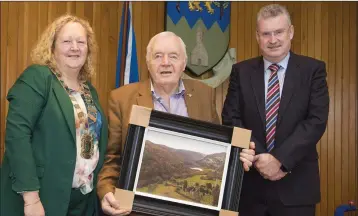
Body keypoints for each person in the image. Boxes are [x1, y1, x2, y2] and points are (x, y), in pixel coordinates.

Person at [96, 31, 256, 216]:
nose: (165, 62)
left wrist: (239, 154)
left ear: (184, 63)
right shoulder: (122, 98)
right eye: (158, 56)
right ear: (148, 63)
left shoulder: (205, 95)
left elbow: (219, 147)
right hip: (137, 211)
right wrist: (106, 191)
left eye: (173, 56)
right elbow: (112, 159)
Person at [222, 4, 329, 216]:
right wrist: (261, 157)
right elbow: (231, 118)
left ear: (291, 32)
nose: (273, 40)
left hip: (296, 189)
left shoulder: (312, 70)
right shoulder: (240, 72)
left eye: (279, 32)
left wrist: (280, 160)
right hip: (250, 188)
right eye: (266, 34)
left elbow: (316, 120)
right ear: (257, 37)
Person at [0, 14, 108, 216]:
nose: (74, 47)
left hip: (83, 199)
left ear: (88, 49)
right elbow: (17, 136)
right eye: (66, 41)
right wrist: (31, 199)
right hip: (42, 197)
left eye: (81, 42)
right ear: (52, 47)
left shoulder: (89, 91)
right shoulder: (39, 77)